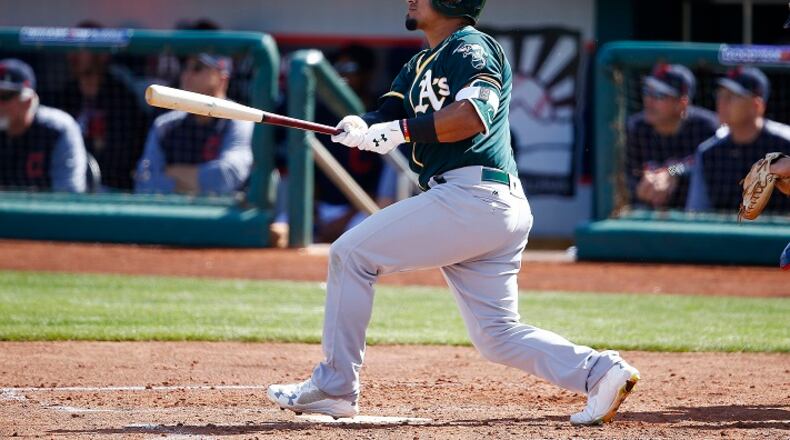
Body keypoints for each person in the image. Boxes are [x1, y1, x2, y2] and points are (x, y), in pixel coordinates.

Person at [267, 0, 640, 426]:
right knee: (496, 336)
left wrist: (399, 132)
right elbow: (390, 113)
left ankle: (334, 388)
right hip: (483, 204)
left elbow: (471, 116)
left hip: (474, 196)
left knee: (350, 254)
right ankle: (601, 372)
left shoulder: (471, 48)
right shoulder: (419, 63)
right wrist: (362, 124)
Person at [50, 21, 150, 191]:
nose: (73, 55)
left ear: (103, 54)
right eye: (72, 48)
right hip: (72, 183)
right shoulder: (66, 95)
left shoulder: (124, 95)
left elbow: (127, 156)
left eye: (82, 48)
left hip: (116, 188)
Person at [134, 54, 253, 196]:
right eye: (185, 68)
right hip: (175, 214)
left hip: (221, 214)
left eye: (197, 68)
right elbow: (145, 182)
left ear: (222, 78)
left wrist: (172, 172)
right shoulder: (166, 125)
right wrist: (199, 182)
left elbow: (227, 177)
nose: (187, 75)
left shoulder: (239, 120)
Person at [687, 66, 790, 214]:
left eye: (732, 96)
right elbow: (695, 214)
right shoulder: (708, 152)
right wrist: (672, 171)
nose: (722, 103)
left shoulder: (785, 145)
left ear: (757, 105)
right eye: (720, 95)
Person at [313, 44, 386, 242]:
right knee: (280, 232)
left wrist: (344, 220)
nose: (342, 76)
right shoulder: (322, 113)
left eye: (350, 69)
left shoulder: (379, 114)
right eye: (337, 70)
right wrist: (315, 213)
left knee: (368, 238)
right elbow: (311, 172)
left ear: (366, 74)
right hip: (320, 208)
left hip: (362, 209)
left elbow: (380, 184)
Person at [626, 63, 718, 209]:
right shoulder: (636, 128)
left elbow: (709, 169)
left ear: (681, 103)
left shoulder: (708, 127)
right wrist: (641, 184)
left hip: (695, 217)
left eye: (658, 95)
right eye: (647, 91)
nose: (649, 101)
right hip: (647, 215)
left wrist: (672, 172)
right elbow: (627, 173)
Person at [0, 58, 86, 193]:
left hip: (45, 213)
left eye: (4, 97)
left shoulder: (57, 130)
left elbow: (68, 196)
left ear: (27, 101)